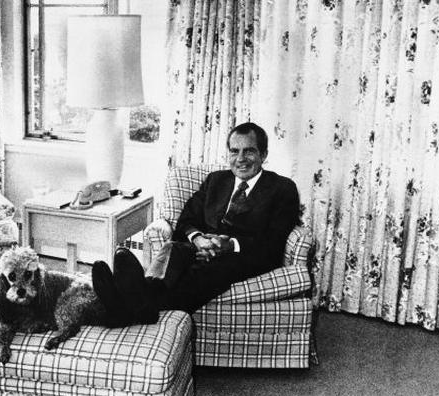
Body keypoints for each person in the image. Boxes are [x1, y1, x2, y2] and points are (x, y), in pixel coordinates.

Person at [92, 122, 301, 327]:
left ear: (263, 155)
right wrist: (199, 239)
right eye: (234, 151)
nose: (240, 159)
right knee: (173, 248)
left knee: (210, 269)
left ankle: (127, 304)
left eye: (249, 151)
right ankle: (139, 298)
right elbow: (186, 219)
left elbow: (273, 242)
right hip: (201, 249)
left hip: (245, 257)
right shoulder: (216, 180)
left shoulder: (282, 188)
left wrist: (229, 246)